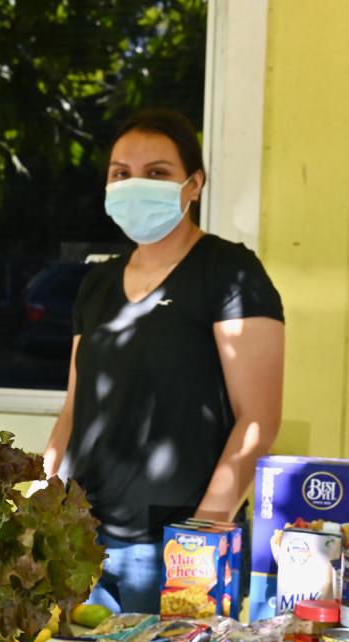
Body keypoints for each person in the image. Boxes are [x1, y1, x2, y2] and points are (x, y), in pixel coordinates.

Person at [44, 109, 284, 614]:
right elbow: (73, 410)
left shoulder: (229, 273)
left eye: (156, 172)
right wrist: (43, 511)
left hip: (173, 551)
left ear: (192, 185)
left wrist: (200, 543)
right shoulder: (98, 284)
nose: (135, 185)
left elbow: (258, 420)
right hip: (82, 544)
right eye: (120, 173)